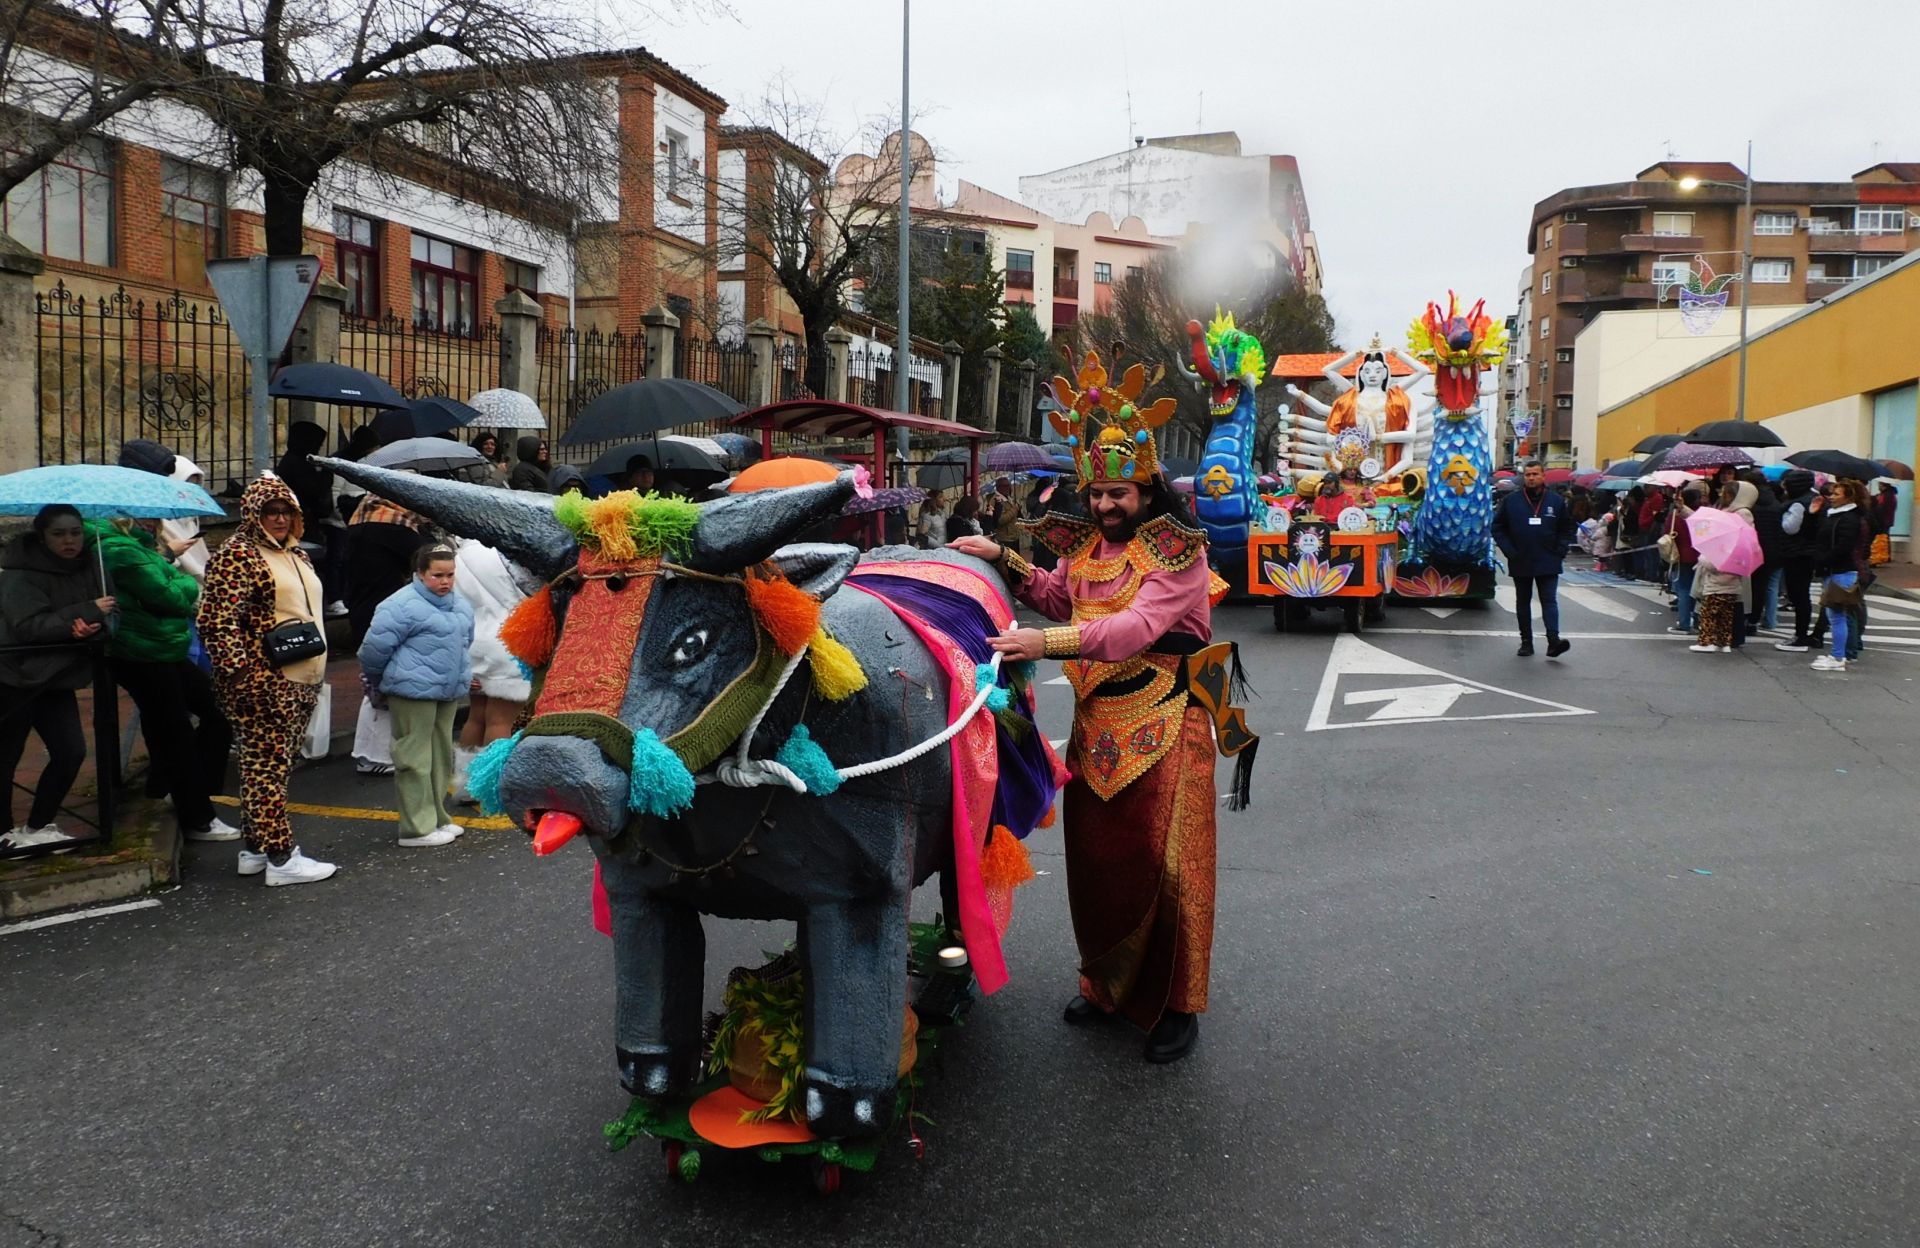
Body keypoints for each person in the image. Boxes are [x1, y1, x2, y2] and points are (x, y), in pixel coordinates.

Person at [950, 358, 1252, 1065]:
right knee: (1095, 865)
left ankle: (1178, 1006)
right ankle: (1106, 985)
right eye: (1098, 493)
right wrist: (1004, 558)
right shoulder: (1089, 546)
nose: (1107, 505)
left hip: (1166, 722)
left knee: (1167, 869)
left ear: (1147, 490)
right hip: (1097, 728)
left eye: (1119, 493)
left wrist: (1043, 642)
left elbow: (1130, 631)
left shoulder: (1178, 554)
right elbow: (1065, 597)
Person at [197, 476, 335, 886]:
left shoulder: (296, 554)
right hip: (265, 682)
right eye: (270, 511)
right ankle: (281, 856)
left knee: (267, 769)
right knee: (266, 772)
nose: (278, 518)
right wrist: (243, 676)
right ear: (252, 513)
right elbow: (216, 620)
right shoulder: (237, 554)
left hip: (300, 677)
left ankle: (255, 849)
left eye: (285, 510)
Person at [86, 515, 238, 843]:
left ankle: (173, 787)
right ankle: (197, 816)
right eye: (141, 517)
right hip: (142, 652)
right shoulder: (118, 549)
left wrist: (168, 564)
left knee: (211, 713)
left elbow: (166, 584)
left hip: (162, 648)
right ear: (121, 518)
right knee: (176, 732)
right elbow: (172, 595)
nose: (150, 522)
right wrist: (178, 579)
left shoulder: (140, 547)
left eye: (154, 518)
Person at [0, 506, 114, 850]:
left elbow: (111, 609)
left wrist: (94, 627)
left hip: (56, 677)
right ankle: (4, 835)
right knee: (6, 758)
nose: (69, 541)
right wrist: (81, 615)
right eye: (59, 534)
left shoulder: (93, 565)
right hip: (13, 677)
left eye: (75, 532)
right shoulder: (18, 574)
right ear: (42, 536)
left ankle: (38, 826)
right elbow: (27, 627)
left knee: (70, 752)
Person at [358, 545, 473, 847]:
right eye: (437, 575)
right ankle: (416, 828)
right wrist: (379, 681)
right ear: (420, 574)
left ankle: (436, 818)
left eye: (450, 575)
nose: (445, 581)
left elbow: (465, 641)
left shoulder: (457, 603)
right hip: (411, 691)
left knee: (439, 756)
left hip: (446, 691)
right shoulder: (398, 605)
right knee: (414, 757)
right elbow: (373, 651)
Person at [345, 490, 437, 775]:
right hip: (387, 615)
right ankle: (376, 756)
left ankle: (367, 752)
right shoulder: (393, 527)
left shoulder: (361, 520)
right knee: (386, 687)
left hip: (363, 610)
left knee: (375, 686)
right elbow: (429, 557)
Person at [451, 538, 537, 801]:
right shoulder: (507, 556)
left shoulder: (459, 557)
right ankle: (492, 787)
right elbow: (531, 591)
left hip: (473, 639)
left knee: (476, 716)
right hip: (508, 639)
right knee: (501, 720)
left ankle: (465, 785)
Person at [1491, 461, 1577, 658]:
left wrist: (1560, 550)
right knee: (1523, 601)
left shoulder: (1556, 501)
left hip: (1548, 559)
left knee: (1549, 600)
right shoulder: (1511, 501)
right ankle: (1526, 642)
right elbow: (1497, 528)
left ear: (1543, 476)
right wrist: (1509, 551)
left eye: (1535, 474)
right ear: (1524, 477)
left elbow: (1566, 527)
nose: (1531, 478)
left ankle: (1553, 641)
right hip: (1521, 558)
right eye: (1528, 474)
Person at [277, 420, 344, 614]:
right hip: (302, 525)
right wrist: (325, 475)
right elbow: (312, 493)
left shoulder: (296, 461)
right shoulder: (295, 464)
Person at [1689, 480, 1757, 655]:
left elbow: (1727, 540)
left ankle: (1707, 641)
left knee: (1710, 614)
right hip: (1731, 578)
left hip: (1719, 574)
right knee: (1726, 615)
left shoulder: (1742, 513)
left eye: (1726, 493)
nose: (1722, 495)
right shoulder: (1728, 511)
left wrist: (1705, 557)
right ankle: (1724, 642)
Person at [1809, 479, 1868, 672]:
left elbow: (1843, 546)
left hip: (1841, 570)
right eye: (1832, 493)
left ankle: (1838, 656)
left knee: (1837, 616)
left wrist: (1823, 559)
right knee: (1835, 615)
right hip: (1834, 569)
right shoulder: (1834, 514)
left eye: (1836, 494)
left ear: (1848, 497)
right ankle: (1839, 654)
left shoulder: (1849, 518)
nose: (1831, 497)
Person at [1773, 469, 1822, 652]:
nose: (1784, 488)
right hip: (1806, 553)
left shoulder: (1797, 504)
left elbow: (1790, 528)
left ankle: (1800, 636)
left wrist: (1782, 515)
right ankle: (1802, 634)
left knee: (1798, 596)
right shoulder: (1812, 499)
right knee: (1801, 596)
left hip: (1797, 554)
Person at [159, 456, 212, 580]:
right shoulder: (162, 521)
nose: (190, 491)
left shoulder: (189, 518)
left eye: (195, 485)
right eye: (186, 484)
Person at [1664, 485, 1703, 635]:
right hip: (1700, 556)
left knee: (1684, 590)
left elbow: (1667, 532)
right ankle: (1696, 618)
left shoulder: (1676, 516)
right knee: (1696, 590)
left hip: (1682, 555)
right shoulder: (1702, 515)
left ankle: (1684, 623)